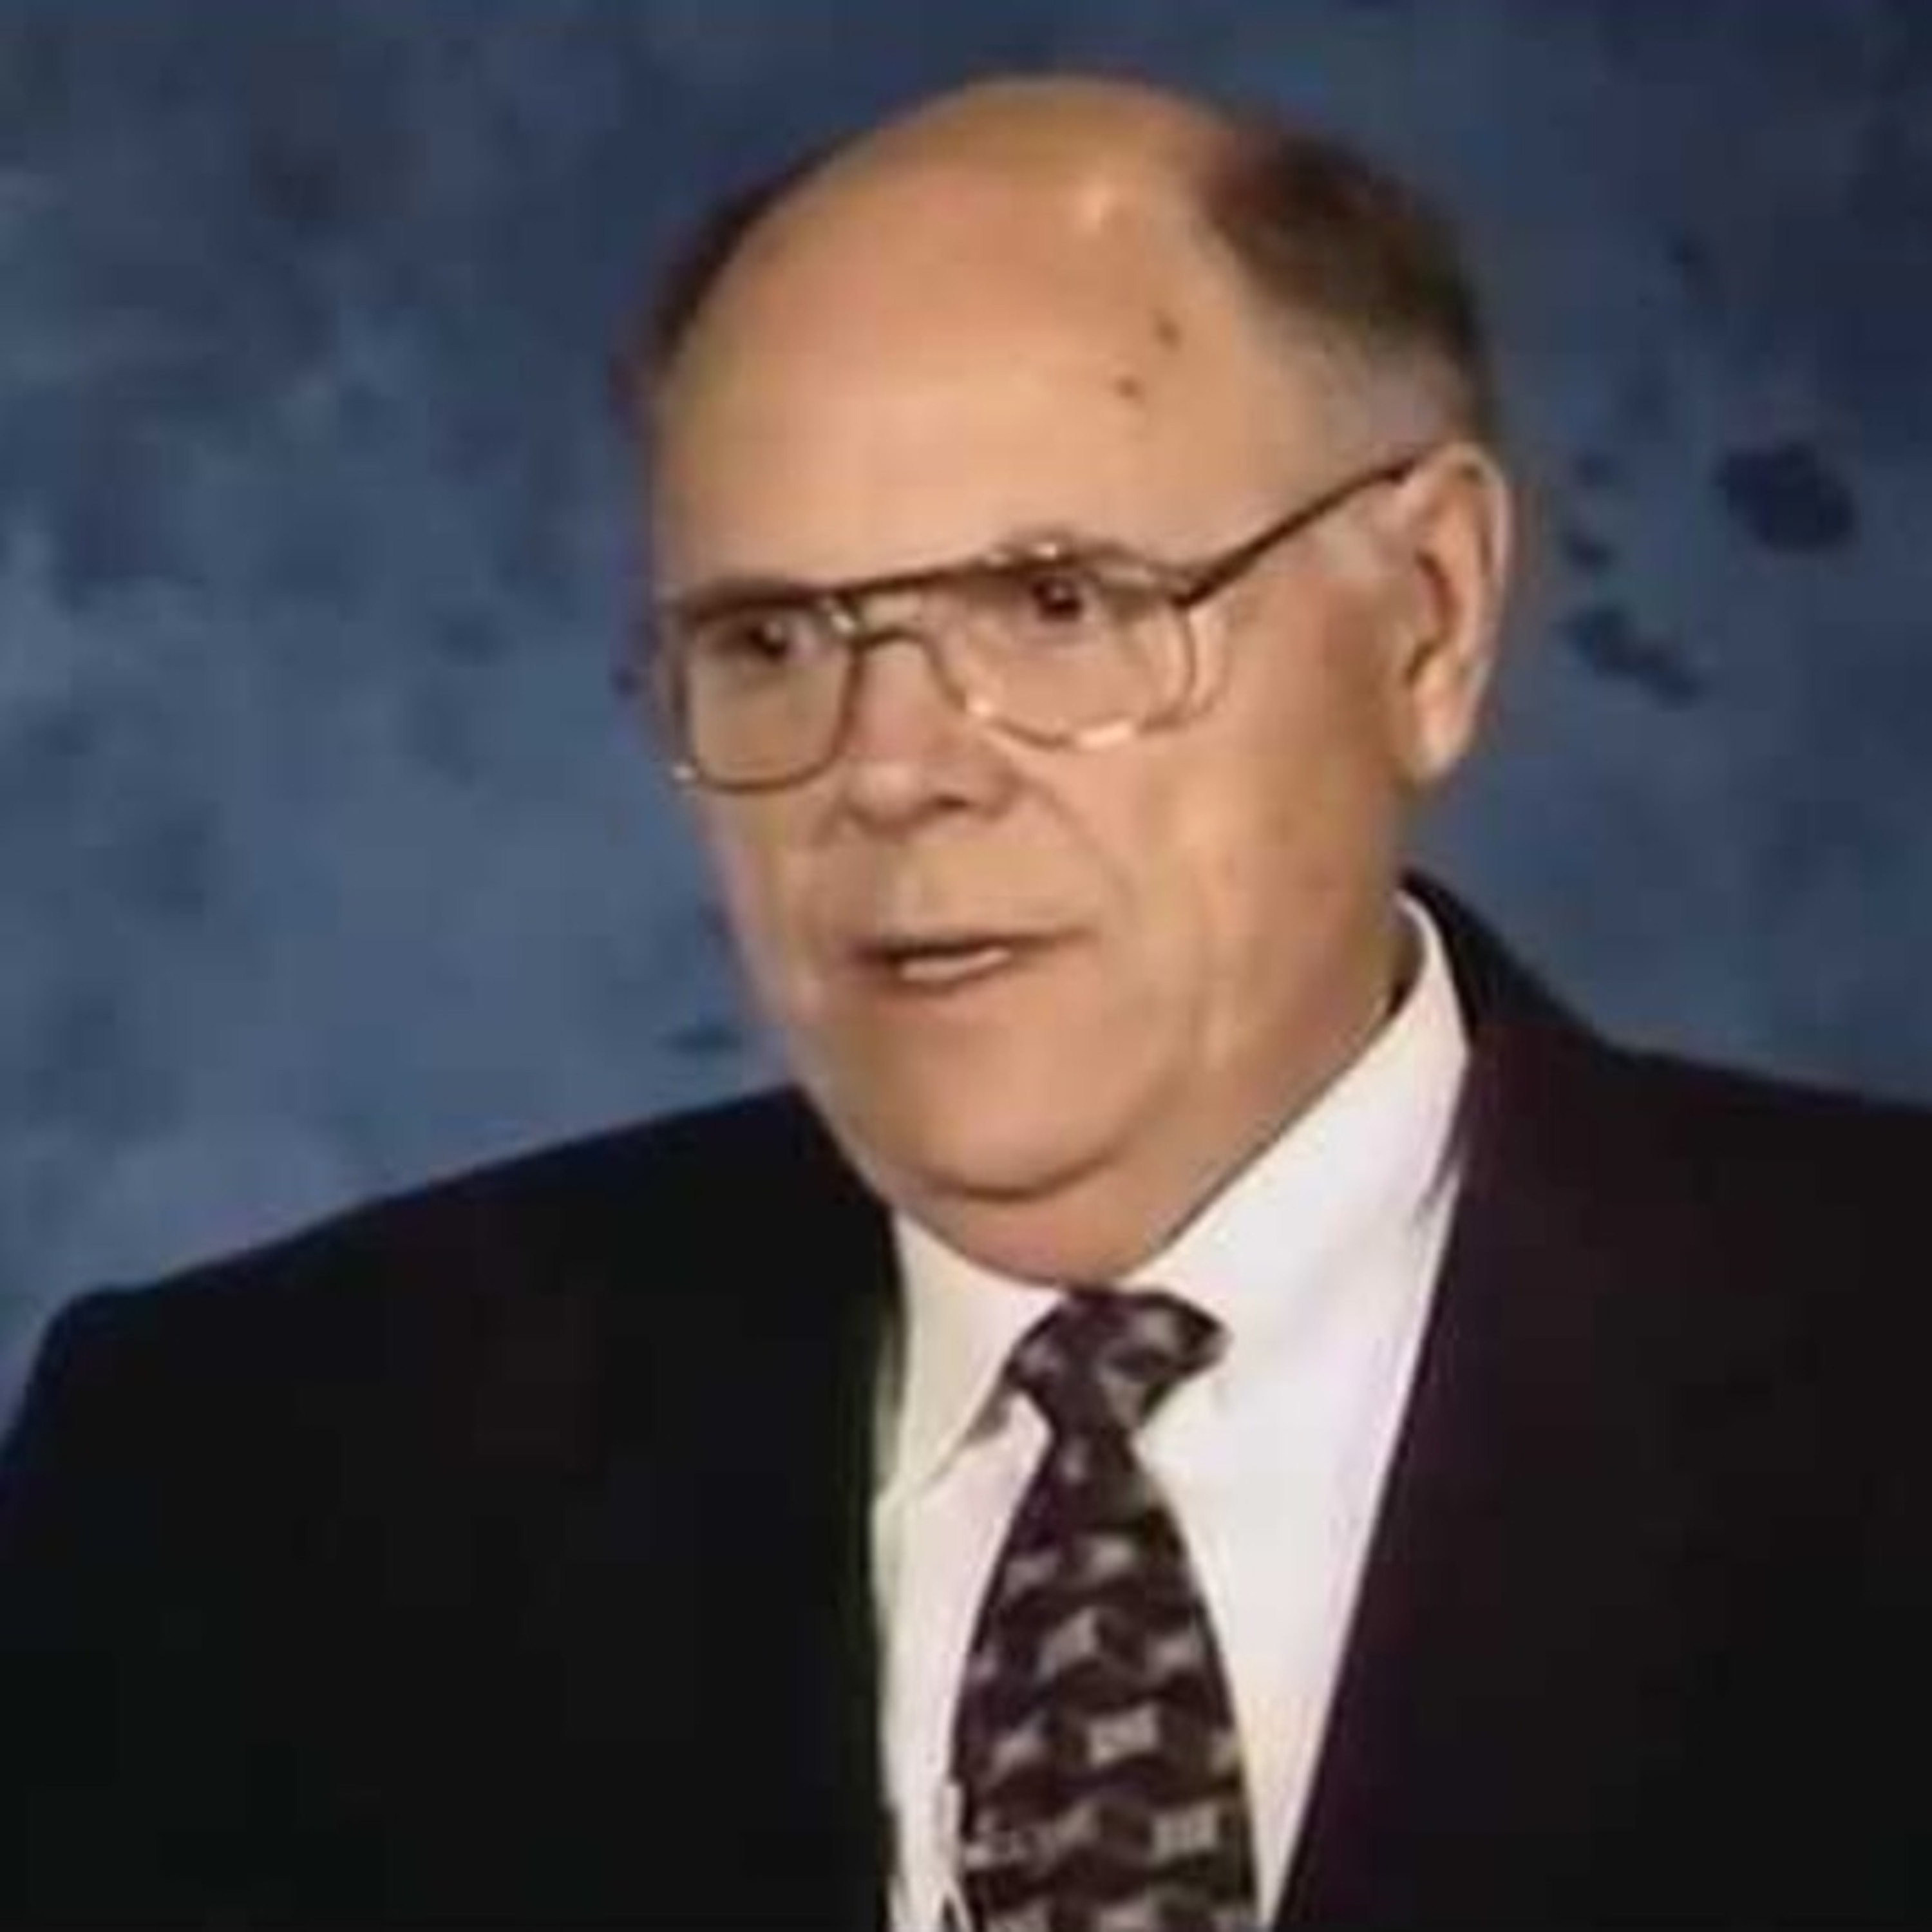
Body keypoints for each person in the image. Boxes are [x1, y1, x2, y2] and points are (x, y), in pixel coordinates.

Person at [0, 71, 1927, 1931]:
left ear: (1428, 617)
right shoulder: (249, 1475)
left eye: (1057, 602)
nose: (895, 767)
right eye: (772, 638)